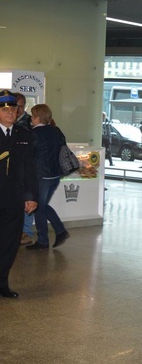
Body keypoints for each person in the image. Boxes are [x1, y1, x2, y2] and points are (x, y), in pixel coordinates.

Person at [0, 90, 37, 298]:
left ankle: (2, 282)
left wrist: (31, 195)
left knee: (9, 242)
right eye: (5, 109)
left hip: (13, 198)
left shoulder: (24, 135)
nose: (10, 113)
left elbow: (30, 168)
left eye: (13, 109)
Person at [25, 104, 71, 250]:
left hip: (41, 176)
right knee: (42, 205)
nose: (31, 119)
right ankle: (59, 232)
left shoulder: (33, 134)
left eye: (32, 116)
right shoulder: (56, 131)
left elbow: (29, 156)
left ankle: (45, 240)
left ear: (38, 118)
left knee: (39, 207)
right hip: (55, 175)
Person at [14, 92, 34, 244]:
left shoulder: (29, 123)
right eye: (16, 106)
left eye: (20, 107)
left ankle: (25, 232)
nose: (18, 110)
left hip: (25, 171)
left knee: (27, 200)